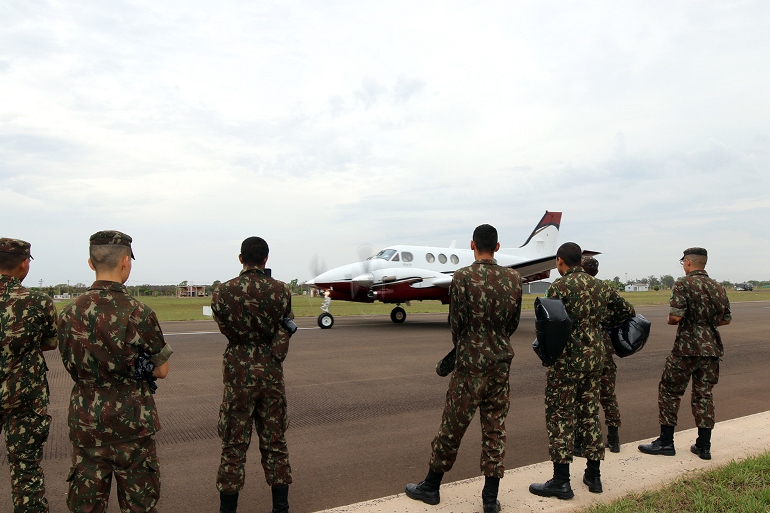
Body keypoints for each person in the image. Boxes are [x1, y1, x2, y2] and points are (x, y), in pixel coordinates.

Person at [405, 224, 522, 513]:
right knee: (495, 428)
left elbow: (456, 322)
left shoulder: (462, 277)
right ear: (497, 247)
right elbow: (512, 324)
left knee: (452, 426)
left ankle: (431, 486)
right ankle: (490, 498)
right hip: (499, 364)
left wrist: (467, 346)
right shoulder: (514, 278)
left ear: (472, 245)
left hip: (469, 364)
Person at [58, 230, 172, 512]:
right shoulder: (139, 312)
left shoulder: (68, 312)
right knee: (139, 506)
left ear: (90, 263)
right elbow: (162, 370)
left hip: (86, 423)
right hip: (131, 423)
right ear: (125, 262)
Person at [529, 243, 634, 500]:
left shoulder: (560, 286)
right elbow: (627, 311)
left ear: (560, 261)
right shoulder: (601, 286)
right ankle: (594, 475)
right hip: (596, 358)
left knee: (560, 415)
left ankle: (561, 481)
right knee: (589, 412)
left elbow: (550, 322)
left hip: (567, 360)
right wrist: (597, 324)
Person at [212, 236, 296, 513]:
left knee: (233, 445)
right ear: (266, 259)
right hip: (270, 372)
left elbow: (225, 327)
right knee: (275, 443)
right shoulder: (281, 290)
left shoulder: (222, 292)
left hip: (238, 371)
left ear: (240, 258)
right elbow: (285, 328)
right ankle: (280, 508)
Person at [638, 247, 730, 460]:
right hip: (711, 348)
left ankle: (666, 441)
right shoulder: (718, 287)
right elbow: (726, 319)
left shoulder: (683, 284)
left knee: (670, 391)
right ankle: (704, 446)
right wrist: (706, 324)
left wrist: (673, 320)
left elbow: (676, 317)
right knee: (704, 394)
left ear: (688, 262)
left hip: (686, 347)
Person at [0, 238, 58, 512]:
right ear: (24, 264)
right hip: (24, 396)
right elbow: (50, 342)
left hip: (23, 398)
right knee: (26, 469)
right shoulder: (38, 301)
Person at [573, 256, 627, 454]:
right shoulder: (604, 289)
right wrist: (607, 321)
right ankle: (613, 439)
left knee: (583, 397)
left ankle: (580, 443)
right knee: (608, 395)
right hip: (603, 347)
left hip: (581, 350)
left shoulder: (574, 287)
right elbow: (627, 310)